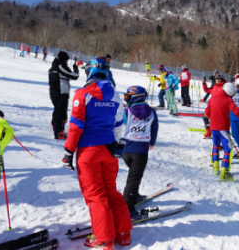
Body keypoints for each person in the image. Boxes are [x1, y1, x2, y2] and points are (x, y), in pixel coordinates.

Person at [62, 58, 132, 248]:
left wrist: (68, 151)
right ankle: (124, 234)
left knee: (95, 195)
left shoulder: (82, 94)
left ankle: (103, 239)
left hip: (89, 151)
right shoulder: (115, 96)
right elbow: (120, 125)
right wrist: (118, 145)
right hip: (109, 150)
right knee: (110, 191)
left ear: (89, 73)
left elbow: (76, 126)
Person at [122, 86, 159, 215]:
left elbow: (123, 124)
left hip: (126, 151)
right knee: (134, 179)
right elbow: (154, 129)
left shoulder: (127, 111)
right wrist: (152, 142)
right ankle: (128, 209)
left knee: (134, 175)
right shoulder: (152, 112)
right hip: (141, 152)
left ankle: (133, 195)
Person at [205, 83, 239, 181]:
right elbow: (236, 111)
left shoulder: (212, 98)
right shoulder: (228, 100)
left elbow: (207, 113)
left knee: (216, 146)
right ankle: (224, 173)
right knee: (228, 149)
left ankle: (216, 168)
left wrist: (210, 122)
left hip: (214, 128)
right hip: (223, 128)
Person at [48, 51, 79, 140]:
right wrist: (75, 69)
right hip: (61, 92)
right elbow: (74, 76)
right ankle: (59, 131)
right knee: (61, 111)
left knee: (57, 109)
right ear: (64, 59)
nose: (67, 62)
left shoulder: (53, 67)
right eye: (66, 60)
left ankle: (54, 124)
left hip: (53, 92)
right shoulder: (60, 66)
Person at [202, 74, 226, 139]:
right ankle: (208, 133)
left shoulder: (224, 87)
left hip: (220, 107)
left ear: (221, 80)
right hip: (212, 106)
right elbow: (206, 90)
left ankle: (221, 135)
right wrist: (204, 83)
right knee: (205, 117)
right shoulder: (214, 86)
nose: (218, 80)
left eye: (219, 79)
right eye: (216, 79)